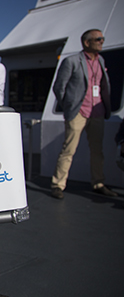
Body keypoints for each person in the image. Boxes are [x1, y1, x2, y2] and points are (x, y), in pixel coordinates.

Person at [50, 29, 116, 199]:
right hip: (78, 112)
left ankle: (98, 183)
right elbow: (59, 87)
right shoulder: (71, 61)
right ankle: (58, 185)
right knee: (68, 150)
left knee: (97, 150)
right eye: (98, 39)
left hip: (97, 112)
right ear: (87, 42)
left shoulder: (100, 60)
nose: (102, 41)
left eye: (102, 39)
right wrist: (69, 106)